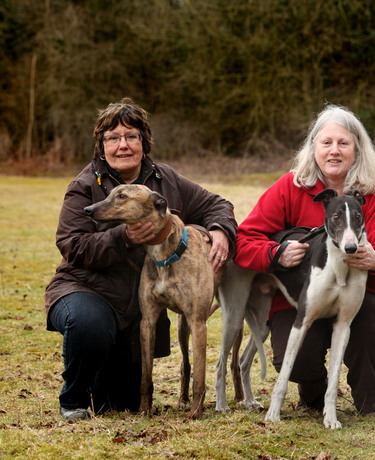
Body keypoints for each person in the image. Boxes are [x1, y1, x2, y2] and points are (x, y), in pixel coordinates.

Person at [45, 98, 237, 421]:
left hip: (135, 313)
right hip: (87, 291)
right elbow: (71, 244)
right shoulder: (84, 186)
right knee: (89, 323)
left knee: (121, 404)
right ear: (101, 145)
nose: (123, 145)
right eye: (113, 138)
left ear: (143, 143)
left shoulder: (166, 180)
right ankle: (74, 398)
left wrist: (221, 231)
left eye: (131, 136)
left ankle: (106, 381)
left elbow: (217, 204)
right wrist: (122, 237)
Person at [235, 104, 375, 416]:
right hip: (300, 298)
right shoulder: (291, 186)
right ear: (313, 147)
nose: (334, 151)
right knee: (296, 356)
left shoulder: (374, 194)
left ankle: (369, 401)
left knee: (366, 321)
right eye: (326, 142)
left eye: (343, 143)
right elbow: (245, 239)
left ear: (357, 148)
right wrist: (276, 254)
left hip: (359, 296)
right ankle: (312, 395)